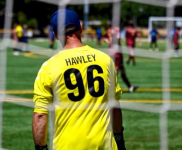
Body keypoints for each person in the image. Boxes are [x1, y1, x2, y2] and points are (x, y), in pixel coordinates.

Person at [32, 9, 126, 150]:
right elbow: (115, 108)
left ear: (56, 35)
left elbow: (40, 115)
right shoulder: (105, 60)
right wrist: (119, 140)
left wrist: (41, 148)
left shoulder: (49, 67)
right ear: (81, 28)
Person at [104, 26, 139, 92]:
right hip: (116, 55)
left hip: (117, 54)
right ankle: (107, 89)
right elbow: (116, 38)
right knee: (115, 72)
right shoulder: (115, 29)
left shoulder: (110, 30)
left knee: (122, 72)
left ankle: (130, 87)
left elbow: (105, 38)